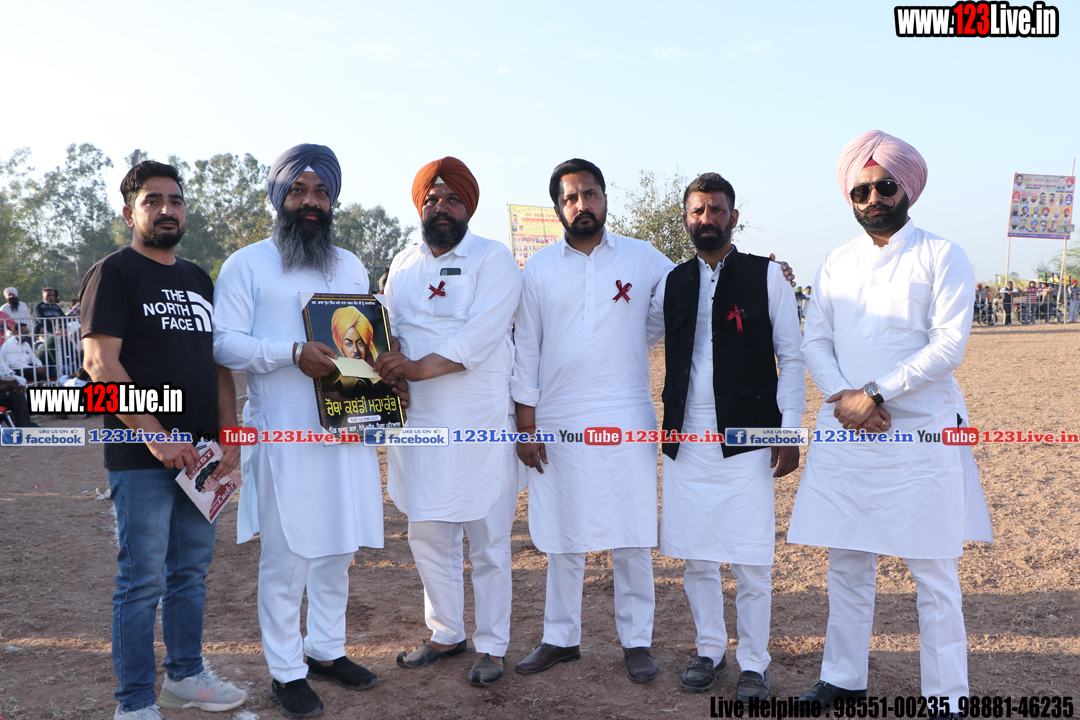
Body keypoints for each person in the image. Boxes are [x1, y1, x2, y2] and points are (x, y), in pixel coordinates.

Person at [789, 130, 992, 709]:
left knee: (934, 573)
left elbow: (948, 345)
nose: (872, 198)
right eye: (861, 191)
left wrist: (876, 392)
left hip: (921, 436)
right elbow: (816, 341)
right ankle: (843, 678)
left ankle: (946, 697)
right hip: (849, 432)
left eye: (884, 187)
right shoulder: (836, 262)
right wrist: (846, 398)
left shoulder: (943, 255)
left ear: (908, 189)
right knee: (846, 563)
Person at [213, 144, 387, 719]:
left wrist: (381, 387)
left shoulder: (351, 266)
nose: (310, 201)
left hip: (345, 425)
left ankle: (326, 650)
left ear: (333, 200)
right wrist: (290, 352)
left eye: (321, 192)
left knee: (338, 546)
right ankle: (286, 671)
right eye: (298, 190)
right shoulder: (247, 264)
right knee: (288, 557)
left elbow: (361, 341)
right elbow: (222, 342)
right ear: (279, 197)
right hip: (283, 433)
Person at [79, 161, 247, 719]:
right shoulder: (114, 272)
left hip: (201, 460)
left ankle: (185, 677)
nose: (167, 210)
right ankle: (134, 703)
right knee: (141, 581)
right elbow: (99, 364)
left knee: (190, 574)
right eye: (153, 201)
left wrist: (230, 435)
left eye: (175, 200)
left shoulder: (199, 279)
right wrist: (156, 438)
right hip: (143, 457)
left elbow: (219, 364)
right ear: (131, 214)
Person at [512, 158, 674, 684]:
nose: (581, 204)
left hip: (626, 413)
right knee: (564, 531)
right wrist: (526, 426)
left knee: (633, 532)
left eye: (590, 194)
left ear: (605, 198)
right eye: (570, 198)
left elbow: (689, 292)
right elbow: (527, 348)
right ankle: (560, 638)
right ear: (558, 208)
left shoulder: (643, 257)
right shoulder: (538, 268)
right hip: (558, 418)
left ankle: (637, 641)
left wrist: (767, 275)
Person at [374, 157, 522, 687]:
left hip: (480, 421)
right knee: (428, 534)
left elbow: (480, 336)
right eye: (432, 199)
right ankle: (445, 631)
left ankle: (493, 644)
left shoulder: (493, 258)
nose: (441, 207)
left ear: (468, 207)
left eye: (452, 199)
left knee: (489, 541)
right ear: (421, 207)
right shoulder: (403, 263)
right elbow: (387, 330)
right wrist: (390, 370)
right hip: (418, 421)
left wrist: (415, 368)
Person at [659, 172, 806, 700]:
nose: (707, 219)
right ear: (686, 219)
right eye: (697, 211)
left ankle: (753, 664)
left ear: (733, 217)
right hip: (685, 437)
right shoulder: (672, 281)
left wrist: (788, 431)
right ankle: (708, 650)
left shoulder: (767, 276)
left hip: (748, 434)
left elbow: (791, 357)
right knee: (697, 557)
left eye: (716, 210)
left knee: (751, 558)